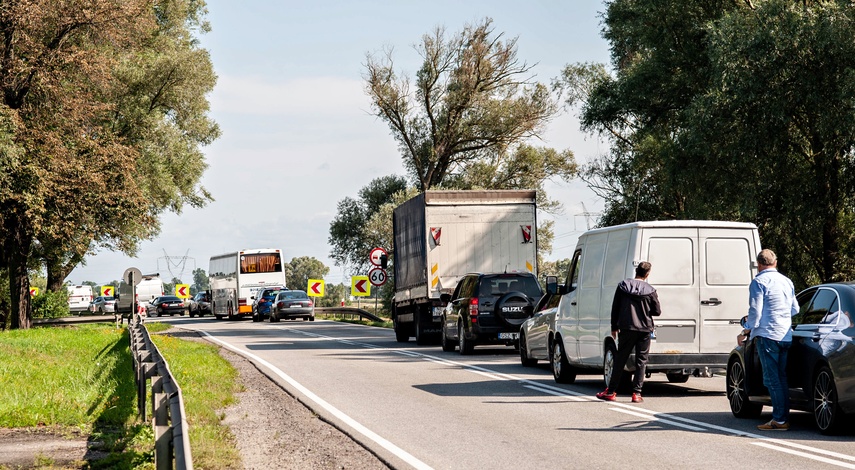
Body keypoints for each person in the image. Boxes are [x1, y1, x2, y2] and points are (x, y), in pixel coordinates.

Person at [741, 249, 799, 431]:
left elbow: (756, 311)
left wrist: (746, 328)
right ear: (775, 262)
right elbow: (795, 309)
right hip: (785, 334)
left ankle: (780, 420)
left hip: (767, 335)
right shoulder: (786, 281)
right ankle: (782, 417)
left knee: (772, 379)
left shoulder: (758, 282)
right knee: (781, 378)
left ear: (759, 264)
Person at [596, 261, 661, 403]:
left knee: (620, 360)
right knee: (641, 361)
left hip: (626, 328)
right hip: (644, 329)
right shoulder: (650, 290)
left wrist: (614, 327)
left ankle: (611, 392)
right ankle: (637, 394)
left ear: (636, 271)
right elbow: (657, 311)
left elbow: (615, 307)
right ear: (647, 274)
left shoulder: (623, 286)